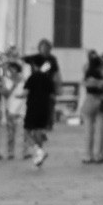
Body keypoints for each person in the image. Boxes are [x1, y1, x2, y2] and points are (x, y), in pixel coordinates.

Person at [21, 38, 60, 168]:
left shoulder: (32, 78)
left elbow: (25, 92)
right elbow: (52, 91)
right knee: (39, 130)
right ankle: (39, 155)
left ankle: (38, 151)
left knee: (27, 131)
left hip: (33, 106)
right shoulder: (47, 79)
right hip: (45, 105)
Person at [81, 52, 103, 164]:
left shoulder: (87, 73)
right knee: (101, 129)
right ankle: (99, 155)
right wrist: (100, 83)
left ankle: (87, 155)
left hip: (89, 100)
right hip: (102, 100)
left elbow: (84, 83)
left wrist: (93, 82)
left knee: (88, 129)